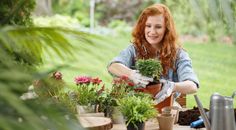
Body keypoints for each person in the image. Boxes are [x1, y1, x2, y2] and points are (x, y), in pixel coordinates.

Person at [107, 3, 199, 105]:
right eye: (148, 26)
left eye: (158, 27)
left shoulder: (178, 54)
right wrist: (131, 74)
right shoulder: (135, 49)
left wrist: (172, 86)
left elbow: (192, 86)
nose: (152, 31)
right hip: (136, 106)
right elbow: (113, 66)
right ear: (143, 27)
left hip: (165, 107)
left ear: (166, 29)